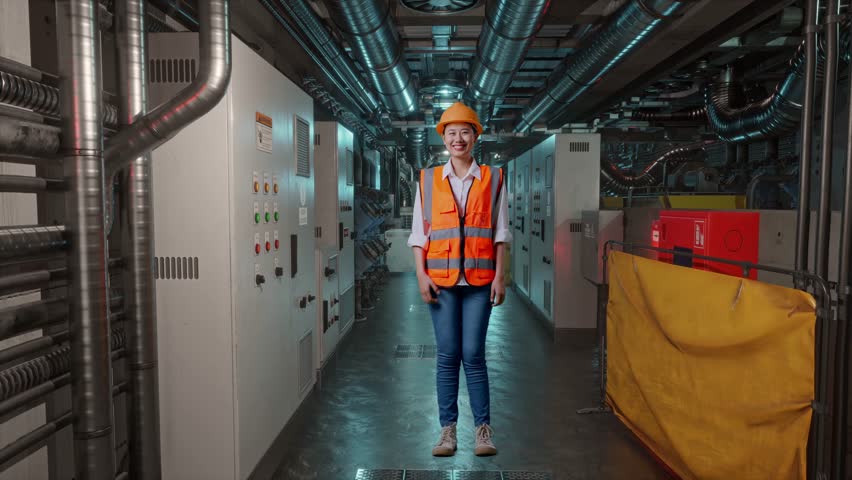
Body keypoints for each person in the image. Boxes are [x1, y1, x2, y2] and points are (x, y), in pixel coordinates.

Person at [407, 102, 511, 457]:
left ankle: (483, 430)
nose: (458, 138)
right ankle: (447, 431)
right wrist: (420, 274)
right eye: (451, 132)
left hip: (480, 282)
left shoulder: (494, 178)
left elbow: (500, 232)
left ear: (475, 135)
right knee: (449, 355)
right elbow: (419, 234)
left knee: (473, 354)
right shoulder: (428, 180)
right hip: (442, 282)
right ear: (443, 138)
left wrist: (501, 276)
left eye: (465, 131)